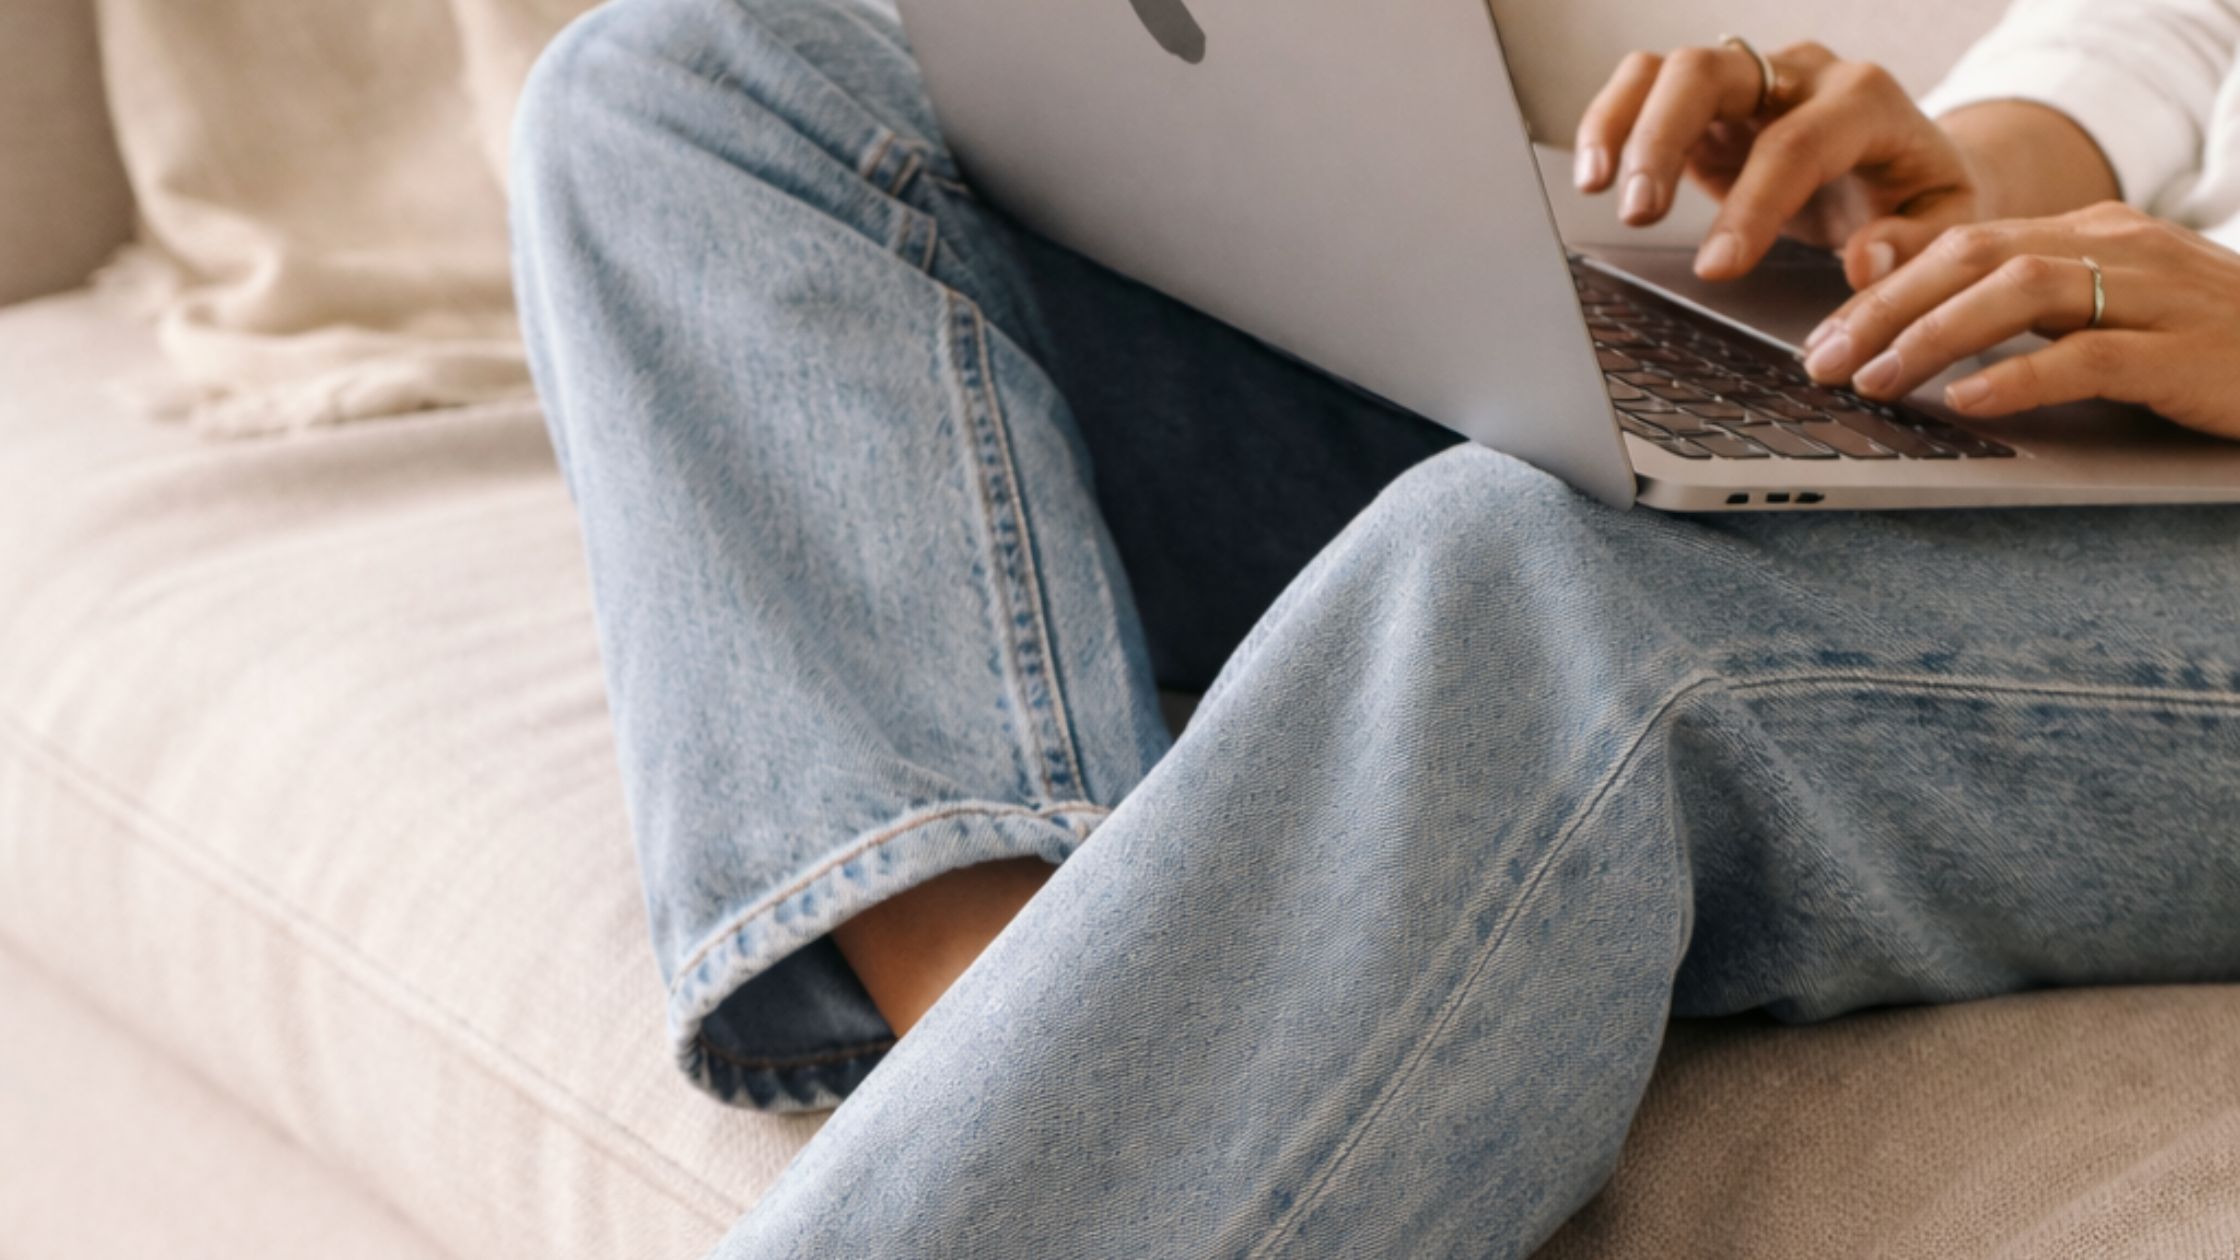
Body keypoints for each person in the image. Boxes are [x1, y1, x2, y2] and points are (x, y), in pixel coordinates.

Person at [507, 0, 2240, 1253]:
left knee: (1541, 583)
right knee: (696, 80)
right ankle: (1036, 1028)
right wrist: (1971, 178)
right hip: (2093, 372)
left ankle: (1110, 1117)